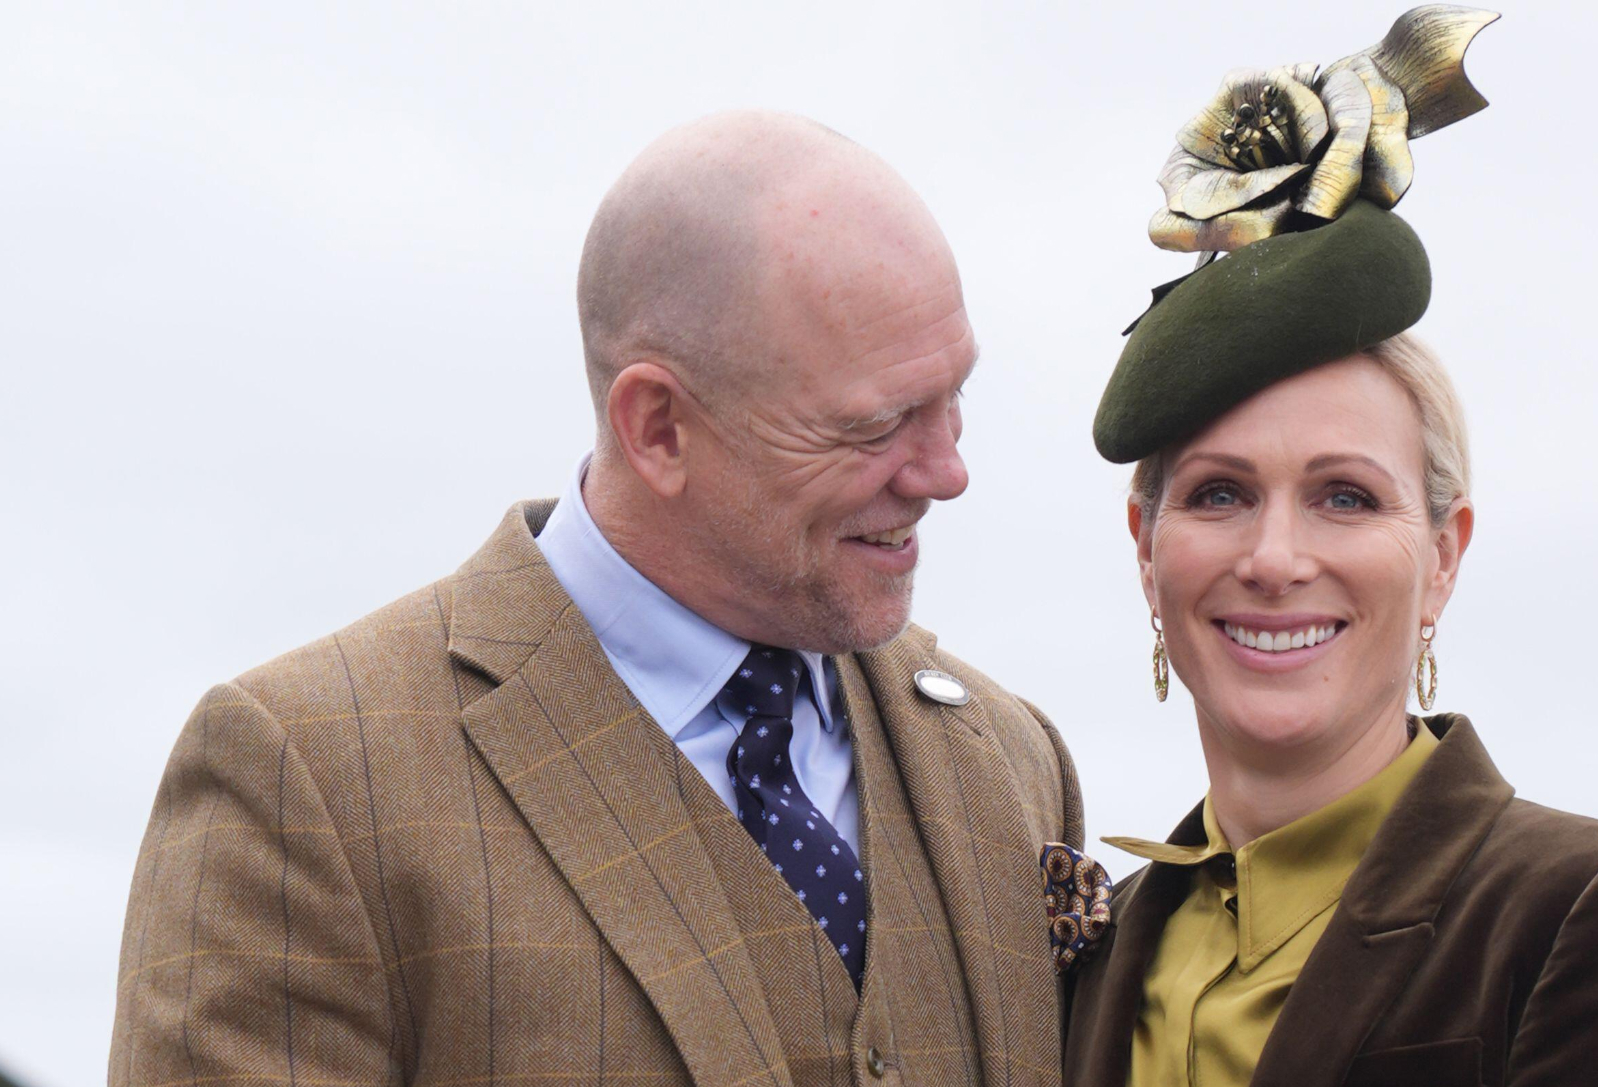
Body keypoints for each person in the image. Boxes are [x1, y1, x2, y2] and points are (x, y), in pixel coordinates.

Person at [110, 112, 1083, 1087]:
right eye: (875, 424)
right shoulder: (304, 774)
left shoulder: (1010, 756)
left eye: (953, 396)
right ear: (658, 426)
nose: (946, 471)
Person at [1060, 9, 1598, 1085]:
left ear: (1443, 555)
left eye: (1344, 496)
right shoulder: (1080, 959)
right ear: (1144, 550)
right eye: (1218, 494)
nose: (1276, 556)